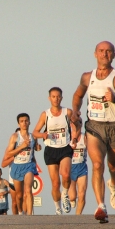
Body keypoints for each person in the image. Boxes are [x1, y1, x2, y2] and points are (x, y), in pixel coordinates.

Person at [72, 41, 115, 223]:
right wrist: (76, 110)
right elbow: (78, 95)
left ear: (114, 55)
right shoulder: (87, 77)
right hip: (94, 126)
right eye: (101, 51)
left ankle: (114, 185)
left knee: (113, 166)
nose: (104, 54)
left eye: (108, 52)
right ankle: (101, 206)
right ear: (95, 54)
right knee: (97, 165)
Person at [32, 87, 79, 215]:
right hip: (50, 149)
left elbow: (78, 125)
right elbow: (35, 132)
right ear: (49, 98)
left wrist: (74, 138)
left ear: (61, 98)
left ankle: (65, 195)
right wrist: (43, 135)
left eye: (58, 96)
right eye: (53, 96)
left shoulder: (67, 112)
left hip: (65, 148)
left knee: (66, 174)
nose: (56, 99)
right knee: (55, 182)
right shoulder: (45, 114)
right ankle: (57, 208)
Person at [5, 113, 41, 215]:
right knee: (19, 195)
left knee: (28, 191)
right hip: (17, 166)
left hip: (29, 166)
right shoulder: (15, 137)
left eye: (26, 121)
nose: (24, 123)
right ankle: (21, 211)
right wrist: (21, 147)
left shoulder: (33, 137)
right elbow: (8, 154)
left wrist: (38, 148)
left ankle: (30, 215)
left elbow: (35, 149)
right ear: (18, 124)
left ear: (29, 122)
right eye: (22, 121)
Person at [68, 118, 88, 215]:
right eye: (74, 123)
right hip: (70, 168)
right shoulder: (67, 137)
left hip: (82, 167)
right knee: (72, 196)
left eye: (79, 122)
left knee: (82, 194)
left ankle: (78, 215)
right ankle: (71, 199)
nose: (77, 124)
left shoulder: (85, 137)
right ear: (71, 124)